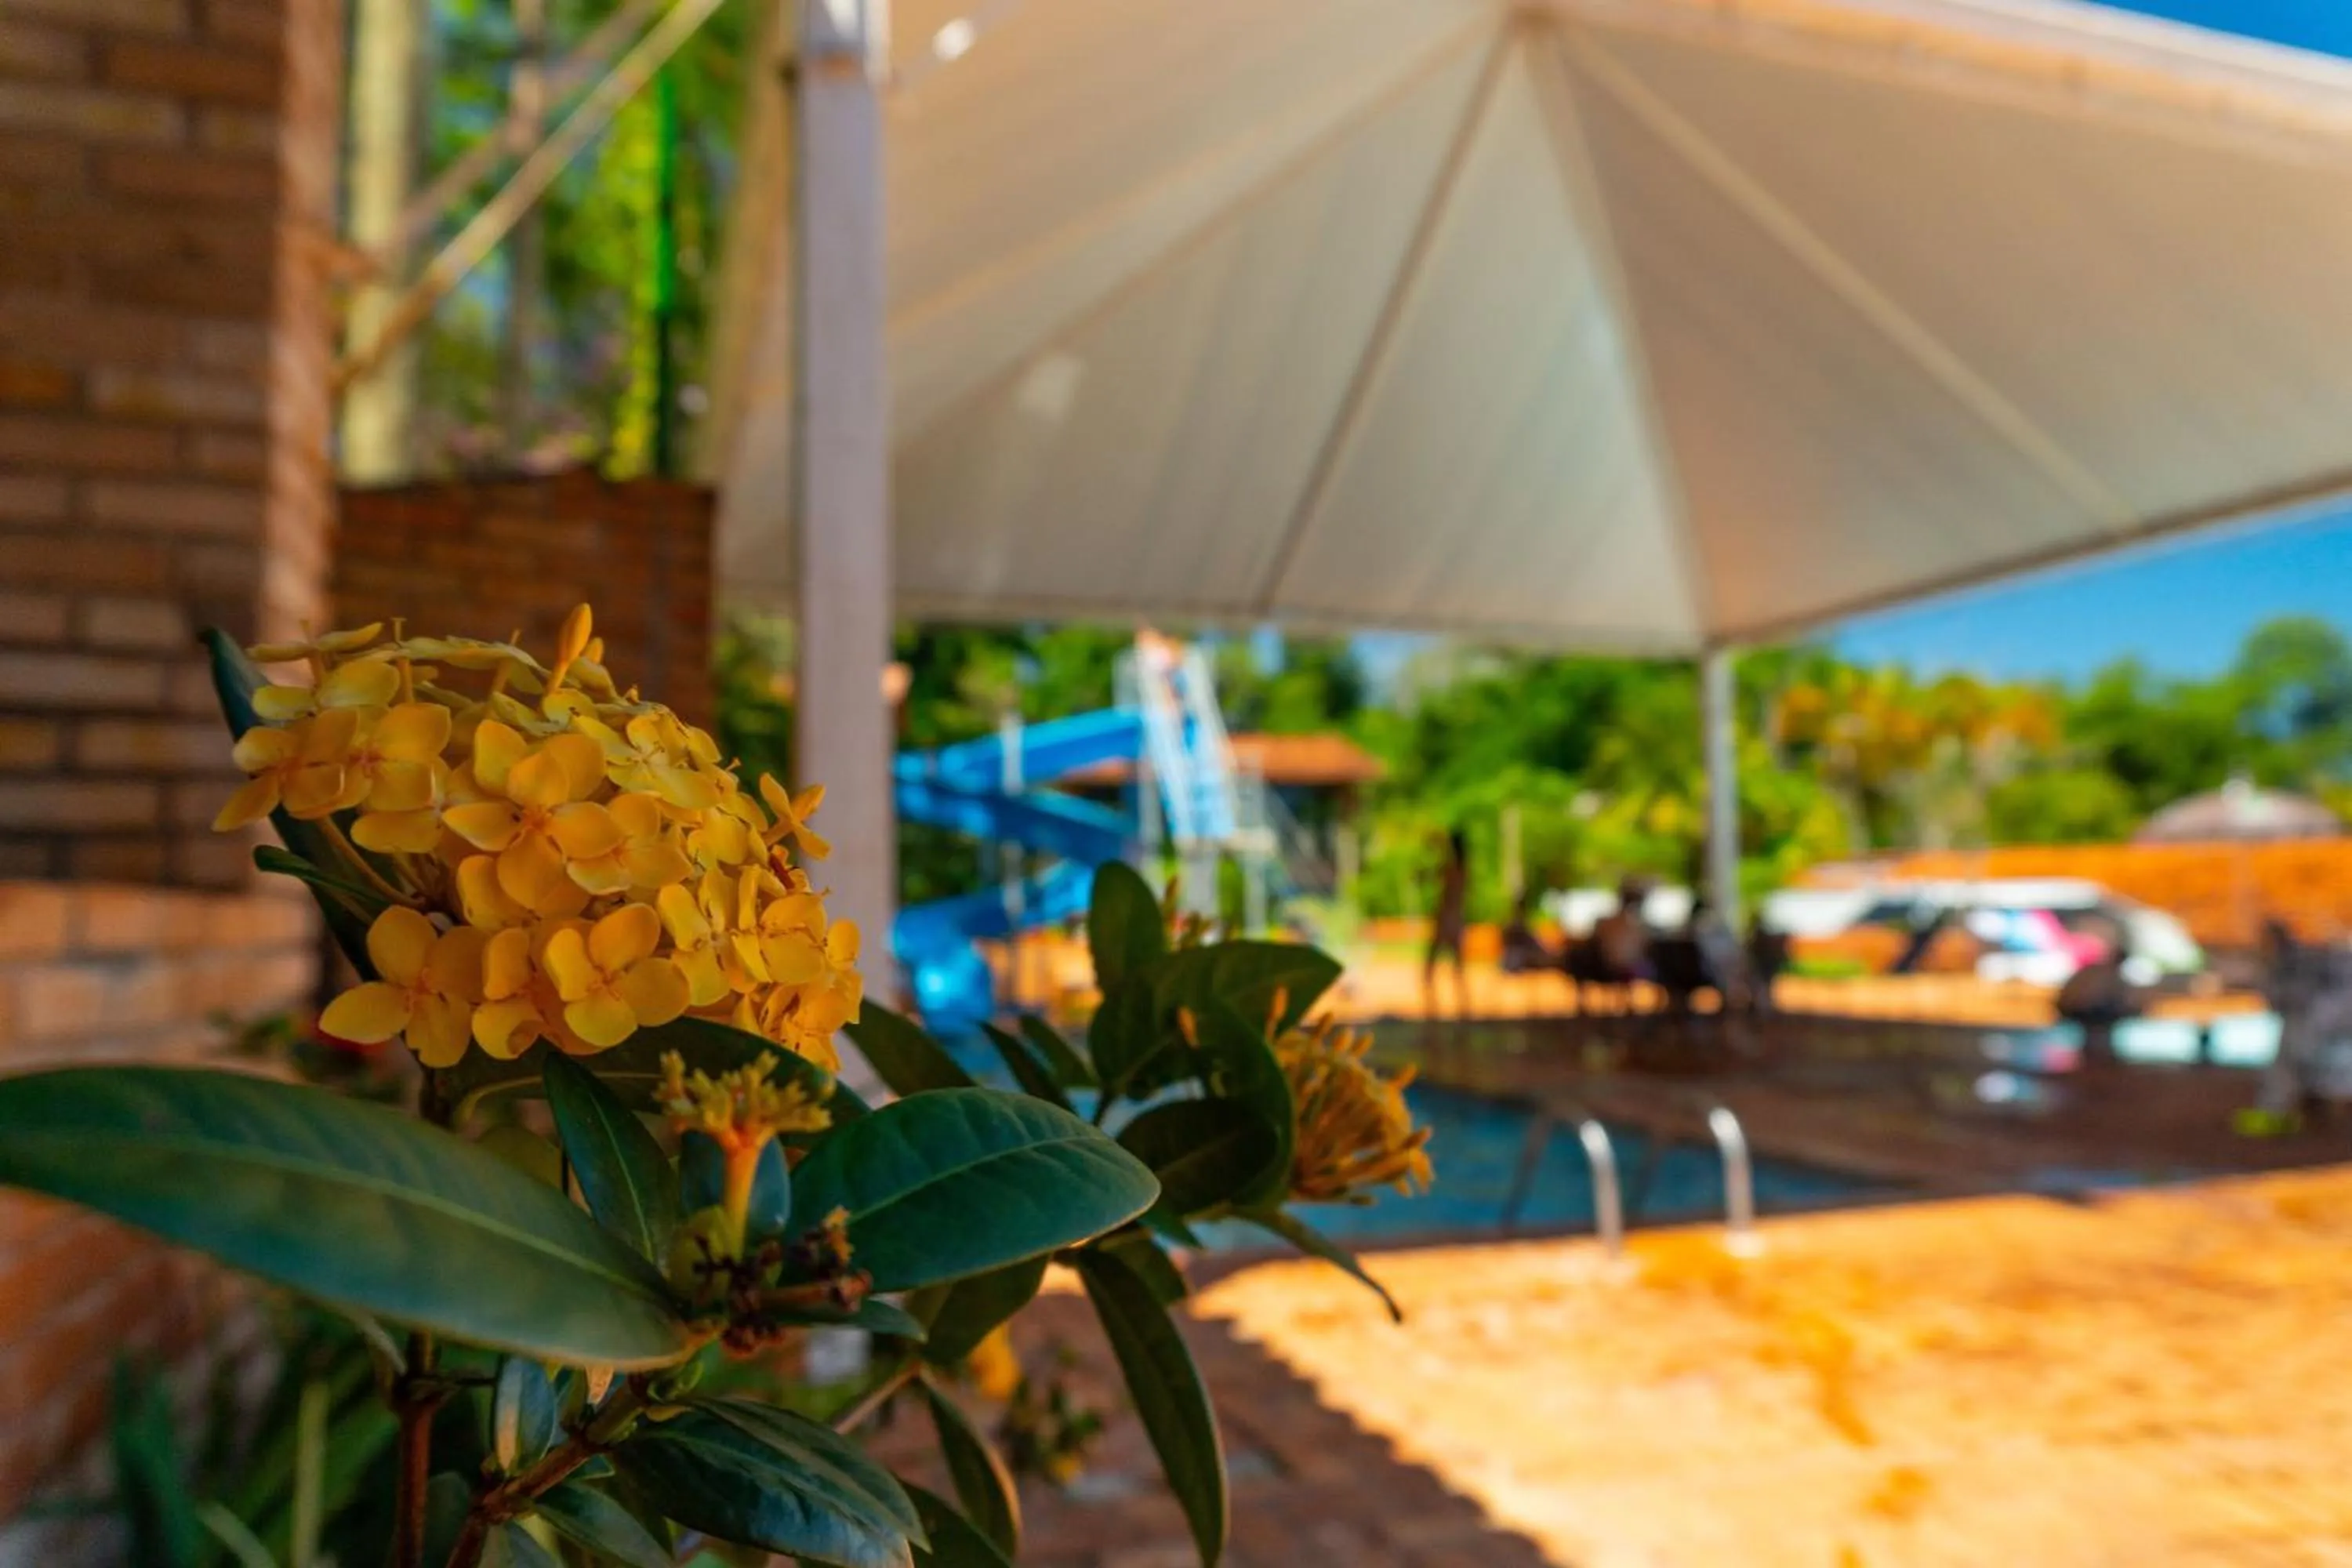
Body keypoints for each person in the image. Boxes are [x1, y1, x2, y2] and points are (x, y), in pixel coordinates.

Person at [1424, 828, 1469, 1020]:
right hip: (1457, 922)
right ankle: (1463, 1009)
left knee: (1431, 969)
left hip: (1446, 922)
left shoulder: (1452, 870)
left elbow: (1432, 876)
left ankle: (1435, 1009)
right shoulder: (1463, 870)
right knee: (1457, 969)